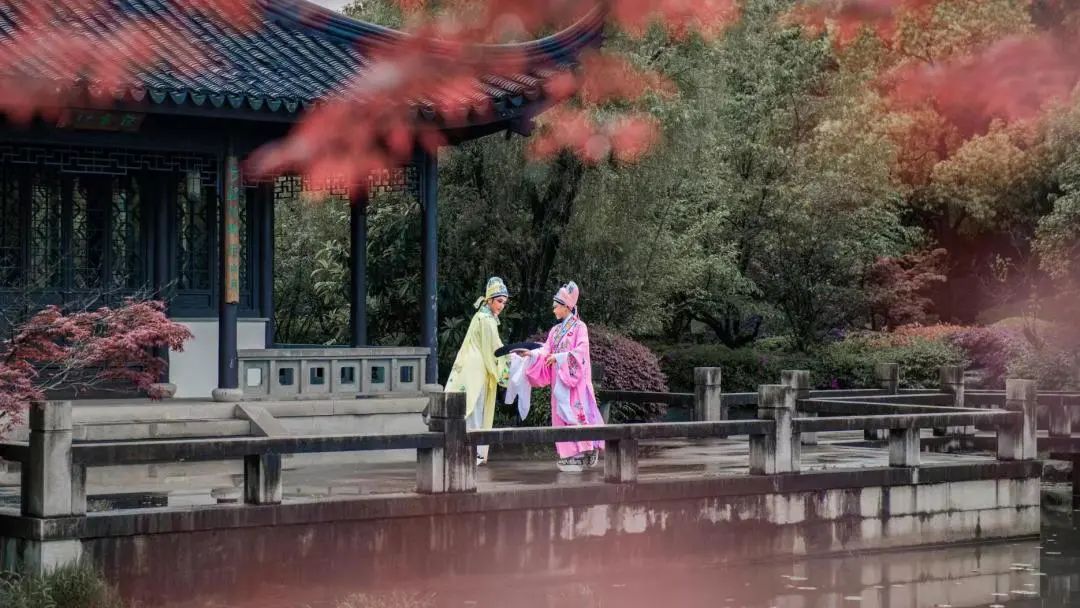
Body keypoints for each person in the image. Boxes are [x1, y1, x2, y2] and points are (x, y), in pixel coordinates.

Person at [525, 281, 604, 472]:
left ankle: (587, 451)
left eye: (556, 306)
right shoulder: (554, 331)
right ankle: (569, 455)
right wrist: (531, 354)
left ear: (566, 306)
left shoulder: (580, 327)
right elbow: (546, 350)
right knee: (561, 416)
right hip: (559, 382)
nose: (553, 310)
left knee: (578, 414)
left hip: (575, 383)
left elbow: (581, 351)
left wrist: (559, 358)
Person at [444, 277, 511, 465]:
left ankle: (464, 451)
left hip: (468, 367)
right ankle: (472, 452)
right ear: (489, 299)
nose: (502, 306)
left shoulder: (479, 316)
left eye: (504, 302)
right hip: (477, 369)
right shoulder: (487, 320)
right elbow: (495, 349)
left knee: (468, 408)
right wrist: (512, 357)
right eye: (499, 301)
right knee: (475, 409)